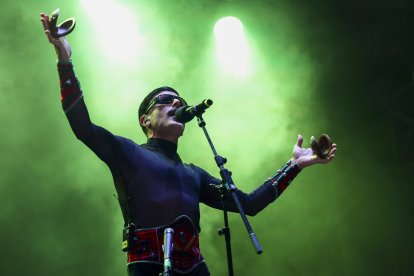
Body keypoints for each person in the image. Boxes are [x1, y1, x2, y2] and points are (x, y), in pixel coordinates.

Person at [40, 10, 337, 276]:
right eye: (166, 101)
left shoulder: (194, 175)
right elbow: (81, 126)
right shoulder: (128, 153)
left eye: (179, 101)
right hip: (149, 268)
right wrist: (64, 58)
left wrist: (295, 164)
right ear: (146, 120)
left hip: (196, 270)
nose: (176, 103)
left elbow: (250, 205)